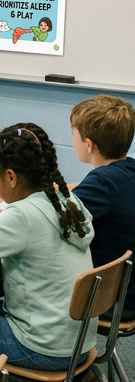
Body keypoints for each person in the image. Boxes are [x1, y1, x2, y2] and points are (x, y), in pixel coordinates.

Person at [0, 123, 94, 382]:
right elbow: (36, 227)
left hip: (42, 346)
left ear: (11, 177)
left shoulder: (21, 217)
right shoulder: (67, 201)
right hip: (77, 339)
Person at [70, 95, 135, 319]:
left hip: (110, 297)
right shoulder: (129, 170)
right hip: (127, 287)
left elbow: (51, 219)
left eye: (74, 135)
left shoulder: (103, 183)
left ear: (89, 144)